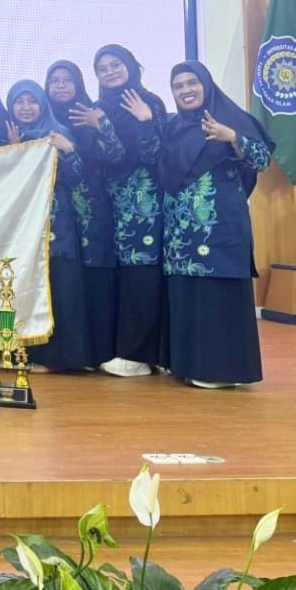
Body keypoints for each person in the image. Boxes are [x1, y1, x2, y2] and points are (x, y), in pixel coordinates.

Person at [158, 61, 270, 387]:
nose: (185, 90)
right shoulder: (172, 127)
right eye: (178, 85)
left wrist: (232, 137)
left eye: (191, 83)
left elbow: (262, 159)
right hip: (181, 233)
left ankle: (220, 371)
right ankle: (187, 365)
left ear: (206, 84)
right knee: (188, 297)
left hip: (219, 227)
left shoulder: (232, 119)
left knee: (217, 296)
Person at [92, 45, 167, 377]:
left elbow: (151, 155)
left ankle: (138, 356)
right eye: (102, 68)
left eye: (115, 64)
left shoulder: (150, 102)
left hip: (144, 206)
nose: (110, 72)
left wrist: (145, 120)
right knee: (123, 279)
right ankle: (137, 352)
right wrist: (101, 124)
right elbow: (110, 158)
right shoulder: (97, 110)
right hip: (112, 208)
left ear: (131, 66)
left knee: (143, 276)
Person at [45, 60, 126, 367]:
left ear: (78, 84)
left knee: (95, 280)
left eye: (67, 80)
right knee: (64, 285)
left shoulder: (92, 114)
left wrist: (100, 124)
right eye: (55, 80)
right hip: (58, 219)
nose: (61, 86)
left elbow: (117, 156)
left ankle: (99, 353)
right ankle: (69, 353)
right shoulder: (41, 119)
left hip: (94, 209)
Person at [6, 81, 90, 370]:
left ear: (42, 105)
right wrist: (12, 153)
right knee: (25, 291)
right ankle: (28, 355)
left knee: (60, 289)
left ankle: (62, 359)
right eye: (19, 102)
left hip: (57, 225)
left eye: (32, 101)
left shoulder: (59, 133)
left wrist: (69, 150)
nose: (26, 108)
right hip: (22, 229)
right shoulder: (9, 136)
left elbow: (77, 177)